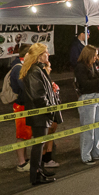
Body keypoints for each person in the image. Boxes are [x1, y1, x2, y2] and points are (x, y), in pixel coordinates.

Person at [20, 43, 62, 186]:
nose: (48, 54)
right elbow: (39, 96)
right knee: (38, 146)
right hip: (40, 115)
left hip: (40, 114)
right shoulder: (34, 72)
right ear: (39, 55)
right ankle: (36, 175)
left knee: (39, 144)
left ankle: (39, 171)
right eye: (45, 52)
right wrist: (50, 110)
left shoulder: (37, 70)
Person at [74, 44, 99, 165]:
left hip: (98, 97)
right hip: (87, 98)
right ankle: (85, 154)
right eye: (95, 55)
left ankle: (96, 150)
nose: (97, 58)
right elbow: (85, 85)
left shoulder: (96, 64)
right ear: (88, 55)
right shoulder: (80, 67)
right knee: (88, 128)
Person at [8, 44, 32, 172]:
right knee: (22, 135)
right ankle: (21, 163)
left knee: (26, 134)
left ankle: (25, 159)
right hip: (21, 105)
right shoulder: (19, 69)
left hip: (24, 104)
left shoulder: (22, 67)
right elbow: (24, 87)